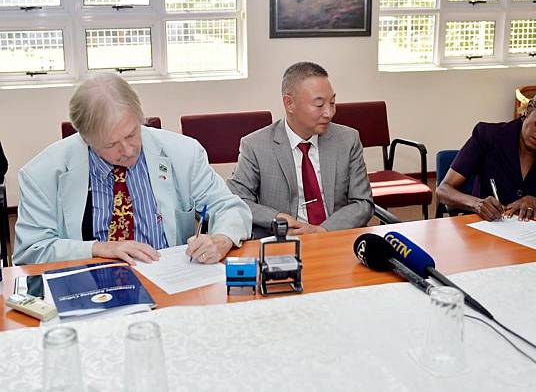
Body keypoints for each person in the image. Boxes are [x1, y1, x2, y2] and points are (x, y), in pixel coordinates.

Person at [14, 74, 251, 265]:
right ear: (85, 138)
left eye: (131, 134)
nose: (127, 150)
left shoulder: (183, 153)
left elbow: (229, 207)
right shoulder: (42, 173)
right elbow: (31, 251)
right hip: (92, 281)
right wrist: (99, 248)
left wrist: (221, 238)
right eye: (111, 144)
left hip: (169, 277)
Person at [227, 61, 374, 238]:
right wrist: (277, 218)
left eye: (332, 102)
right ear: (289, 103)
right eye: (319, 105)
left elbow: (363, 203)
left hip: (334, 236)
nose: (329, 113)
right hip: (283, 241)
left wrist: (323, 230)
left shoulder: (348, 140)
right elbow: (237, 199)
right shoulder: (256, 145)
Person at [436, 83, 536, 221]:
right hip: (484, 230)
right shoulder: (488, 136)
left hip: (534, 235)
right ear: (530, 109)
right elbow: (443, 190)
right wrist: (477, 204)